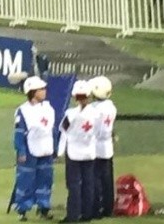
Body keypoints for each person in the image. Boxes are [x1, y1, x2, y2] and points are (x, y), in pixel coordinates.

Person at [13, 76, 55, 221]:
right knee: (26, 179)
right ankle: (22, 209)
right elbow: (19, 133)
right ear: (32, 92)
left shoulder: (48, 108)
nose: (44, 91)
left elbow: (52, 130)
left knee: (45, 179)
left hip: (46, 149)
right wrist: (21, 150)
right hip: (30, 151)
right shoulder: (22, 111)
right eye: (41, 89)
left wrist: (54, 148)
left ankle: (44, 207)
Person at [58, 80, 97, 224]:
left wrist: (60, 151)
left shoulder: (71, 114)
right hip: (89, 152)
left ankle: (73, 215)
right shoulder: (96, 113)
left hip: (74, 153)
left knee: (74, 184)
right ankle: (87, 214)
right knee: (88, 183)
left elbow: (63, 129)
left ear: (75, 97)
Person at [90, 76, 117, 220]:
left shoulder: (94, 109)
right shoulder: (111, 107)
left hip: (95, 147)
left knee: (96, 179)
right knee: (107, 180)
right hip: (107, 146)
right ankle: (108, 207)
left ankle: (97, 207)